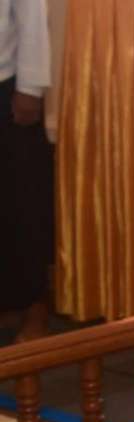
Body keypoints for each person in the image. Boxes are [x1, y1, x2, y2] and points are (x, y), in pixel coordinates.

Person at [0, 0, 51, 343]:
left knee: (21, 202)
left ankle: (35, 308)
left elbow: (31, 12)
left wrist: (30, 87)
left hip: (7, 86)